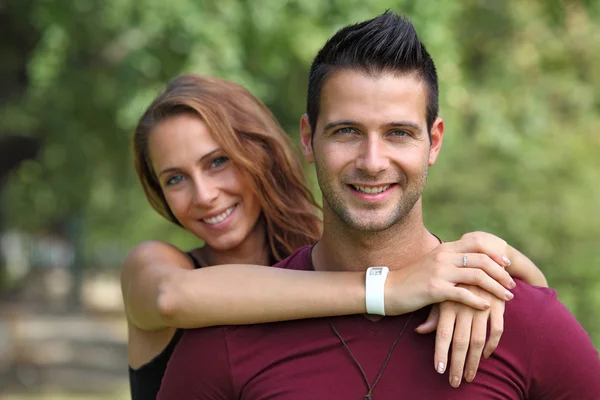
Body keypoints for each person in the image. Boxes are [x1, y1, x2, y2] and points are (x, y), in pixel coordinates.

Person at [156, 11, 600, 399]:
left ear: (435, 141)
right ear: (309, 139)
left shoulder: (511, 315)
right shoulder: (230, 333)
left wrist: (515, 283)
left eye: (398, 133)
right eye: (347, 131)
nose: (372, 162)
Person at [123, 75, 545, 399]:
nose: (204, 194)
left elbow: (538, 298)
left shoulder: (327, 254)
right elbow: (170, 298)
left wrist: (481, 268)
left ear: (260, 151)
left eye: (217, 162)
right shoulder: (154, 264)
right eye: (175, 179)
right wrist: (389, 287)